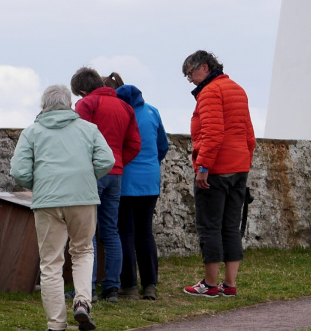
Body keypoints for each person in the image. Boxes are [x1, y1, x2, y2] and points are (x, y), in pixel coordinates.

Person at [11, 84, 113, 331]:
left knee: (50, 262)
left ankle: (56, 323)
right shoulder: (88, 129)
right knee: (82, 251)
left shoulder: (32, 132)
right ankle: (82, 302)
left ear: (43, 106)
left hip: (48, 200)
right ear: (69, 104)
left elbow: (18, 171)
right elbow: (107, 160)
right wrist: (86, 179)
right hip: (83, 198)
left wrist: (40, 184)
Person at [182, 50, 256, 298]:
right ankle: (230, 284)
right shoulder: (237, 88)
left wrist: (203, 168)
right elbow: (249, 135)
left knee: (210, 227)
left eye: (190, 73)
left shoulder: (210, 91)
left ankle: (210, 285)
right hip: (239, 167)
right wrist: (245, 162)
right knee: (231, 227)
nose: (190, 80)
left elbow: (212, 133)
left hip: (216, 168)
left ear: (204, 67)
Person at [70, 67, 141, 303]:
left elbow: (80, 140)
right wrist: (116, 162)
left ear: (82, 90)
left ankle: (87, 288)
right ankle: (111, 287)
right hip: (116, 173)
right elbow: (134, 145)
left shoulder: (86, 104)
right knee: (111, 231)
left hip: (92, 173)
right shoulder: (125, 107)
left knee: (87, 233)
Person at [115, 81, 169, 300]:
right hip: (150, 180)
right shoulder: (152, 111)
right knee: (145, 232)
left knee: (125, 233)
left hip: (125, 180)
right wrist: (151, 163)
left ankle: (129, 286)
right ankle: (150, 285)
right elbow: (162, 145)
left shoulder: (121, 114)